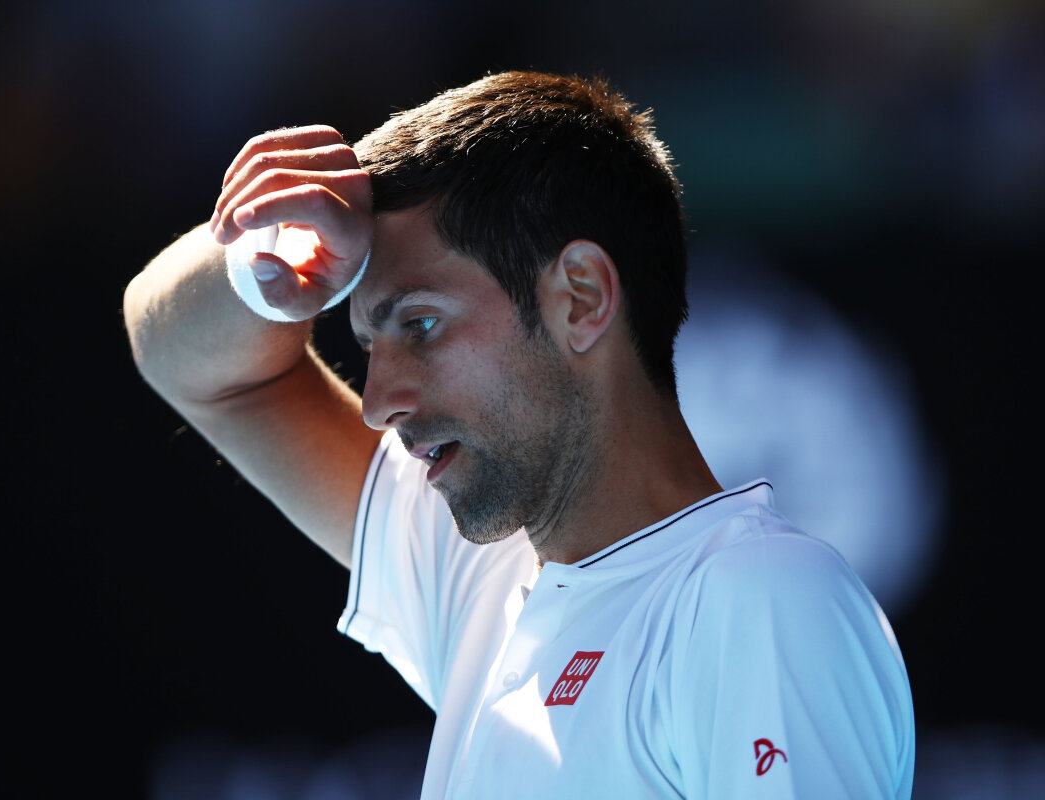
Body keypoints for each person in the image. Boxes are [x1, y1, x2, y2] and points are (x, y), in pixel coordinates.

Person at [123, 71, 915, 798]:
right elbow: (182, 359)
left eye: (421, 325)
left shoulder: (758, 596)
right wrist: (262, 259)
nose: (378, 402)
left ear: (579, 296)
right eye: (370, 344)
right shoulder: (478, 575)